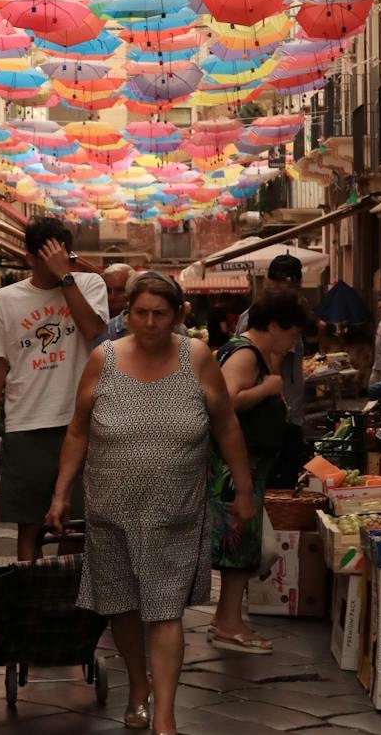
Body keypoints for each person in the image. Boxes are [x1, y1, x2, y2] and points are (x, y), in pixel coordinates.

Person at [45, 273, 254, 735]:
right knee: (121, 606)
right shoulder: (104, 359)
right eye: (140, 313)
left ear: (178, 315)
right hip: (110, 510)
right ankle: (138, 686)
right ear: (127, 314)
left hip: (174, 512)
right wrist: (61, 493)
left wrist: (243, 490)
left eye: (160, 313)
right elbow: (78, 430)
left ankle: (165, 717)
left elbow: (227, 427)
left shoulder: (196, 358)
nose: (150, 322)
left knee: (164, 609)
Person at [0, 218, 108, 561]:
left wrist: (65, 277)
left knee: (76, 523)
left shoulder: (88, 284)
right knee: (29, 525)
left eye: (62, 255)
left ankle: (69, 602)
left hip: (78, 423)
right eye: (47, 257)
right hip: (26, 423)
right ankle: (30, 601)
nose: (55, 262)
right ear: (30, 258)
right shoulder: (5, 300)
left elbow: (93, 330)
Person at [210, 291, 310, 656]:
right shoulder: (245, 354)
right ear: (272, 326)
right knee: (242, 547)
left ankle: (226, 618)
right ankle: (228, 623)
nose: (294, 341)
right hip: (237, 470)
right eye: (292, 333)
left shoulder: (251, 353)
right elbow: (225, 400)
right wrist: (267, 389)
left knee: (255, 548)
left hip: (247, 468)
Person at [235, 254, 307, 427]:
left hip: (276, 415)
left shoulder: (250, 314)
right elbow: (273, 368)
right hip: (275, 419)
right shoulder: (280, 319)